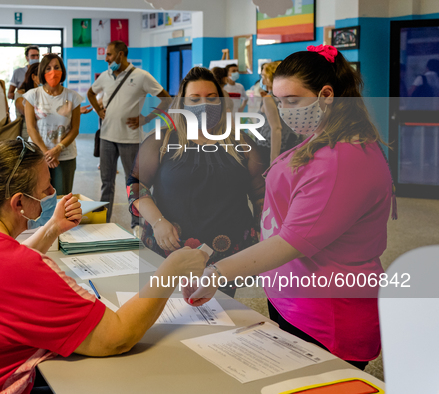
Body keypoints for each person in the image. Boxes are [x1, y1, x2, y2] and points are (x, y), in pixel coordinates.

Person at [0, 137, 208, 393]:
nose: (51, 196)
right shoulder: (17, 269)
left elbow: (1, 267)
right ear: (18, 203)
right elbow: (117, 336)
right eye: (46, 191)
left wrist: (52, 228)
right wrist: (171, 270)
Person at [184, 45, 396, 370]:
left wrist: (217, 272)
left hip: (326, 315)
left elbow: (292, 240)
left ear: (326, 95)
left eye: (292, 101)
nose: (284, 110)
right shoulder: (322, 136)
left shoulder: (342, 159)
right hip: (296, 299)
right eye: (279, 101)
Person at [127, 67, 265, 297]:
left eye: (211, 98)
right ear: (182, 103)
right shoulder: (161, 141)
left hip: (227, 256)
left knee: (217, 317)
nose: (204, 105)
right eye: (195, 99)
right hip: (171, 250)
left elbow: (260, 194)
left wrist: (264, 236)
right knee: (167, 315)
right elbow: (136, 186)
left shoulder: (241, 142)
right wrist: (157, 221)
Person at [87, 40, 170, 235]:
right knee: (106, 182)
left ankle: (137, 224)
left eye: (109, 55)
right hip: (107, 137)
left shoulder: (141, 76)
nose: (106, 59)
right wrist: (98, 109)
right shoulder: (106, 76)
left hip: (131, 140)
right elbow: (91, 93)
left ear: (121, 54)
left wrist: (146, 118)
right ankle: (103, 221)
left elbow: (166, 98)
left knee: (133, 184)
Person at [25, 54, 81, 195]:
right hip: (37, 155)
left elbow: (75, 129)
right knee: (38, 198)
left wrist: (57, 149)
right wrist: (46, 152)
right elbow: (31, 128)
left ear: (62, 70)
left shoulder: (72, 97)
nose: (53, 71)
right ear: (42, 72)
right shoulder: (33, 95)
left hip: (65, 156)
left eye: (57, 67)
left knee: (62, 198)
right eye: (48, 68)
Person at [255, 61, 300, 164]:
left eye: (263, 76)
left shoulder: (270, 98)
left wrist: (273, 160)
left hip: (270, 146)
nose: (261, 79)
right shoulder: (289, 96)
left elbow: (276, 128)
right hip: (289, 142)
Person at [14, 63, 40, 141]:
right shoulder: (21, 95)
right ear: (33, 77)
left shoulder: (42, 93)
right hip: (26, 136)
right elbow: (31, 113)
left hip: (42, 135)